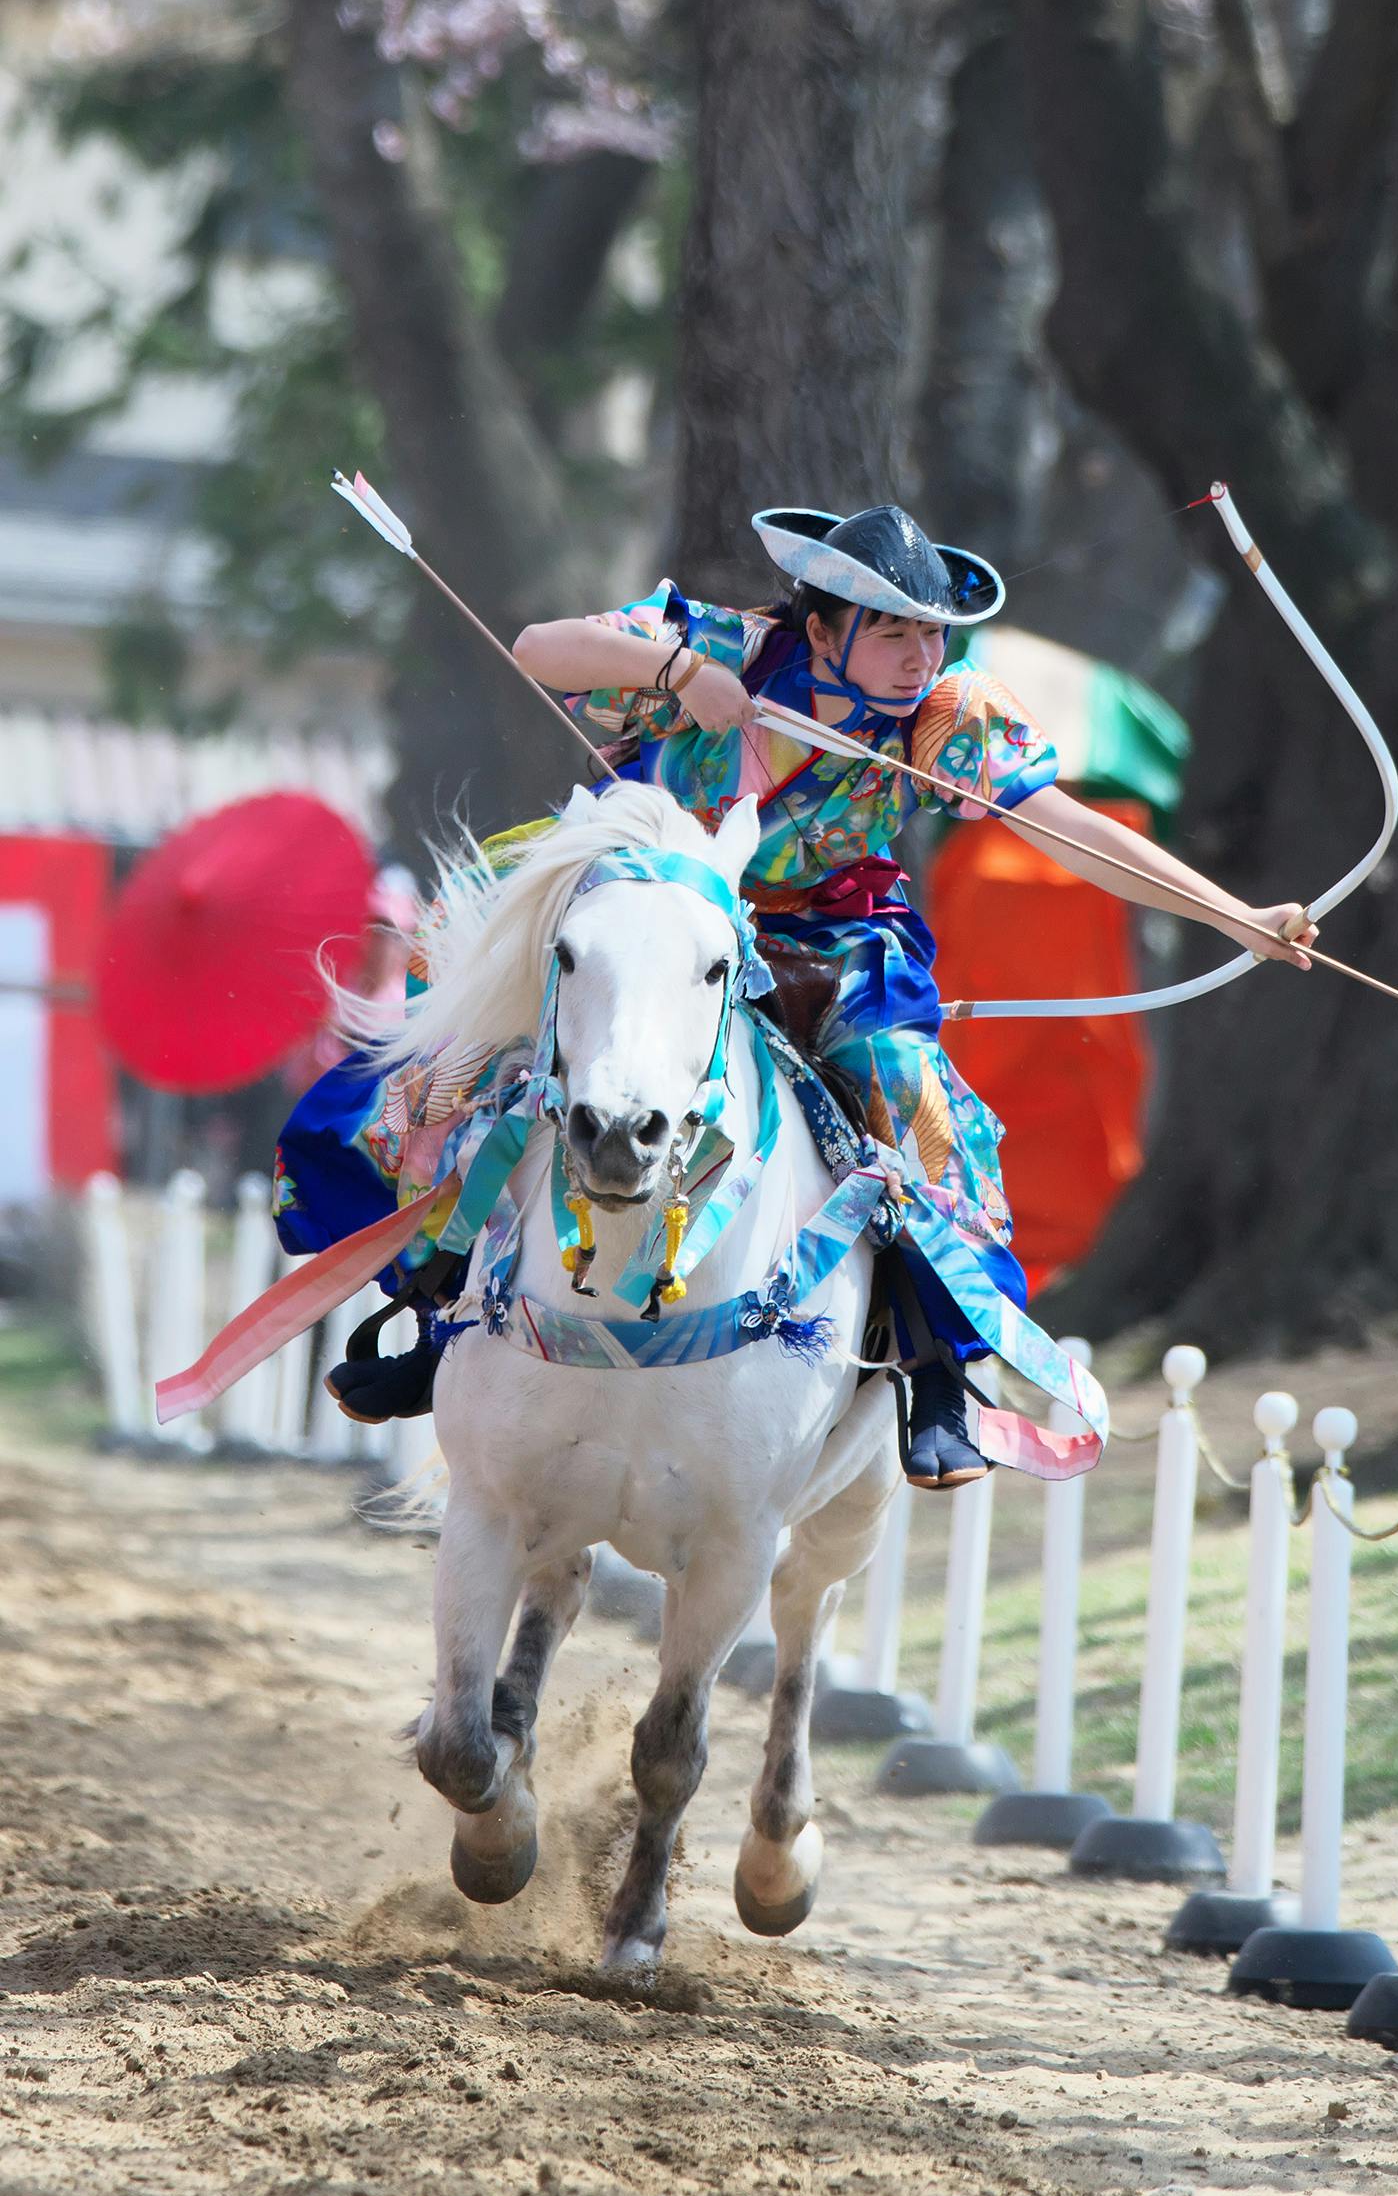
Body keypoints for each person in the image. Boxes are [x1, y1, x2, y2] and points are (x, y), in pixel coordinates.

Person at [295, 502, 1315, 1487]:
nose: (921, 657)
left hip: (827, 937)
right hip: (657, 911)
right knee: (463, 1066)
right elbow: (537, 649)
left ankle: (937, 1377)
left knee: (914, 1101)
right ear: (822, 628)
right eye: (893, 632)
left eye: (932, 633)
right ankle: (438, 1314)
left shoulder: (945, 715)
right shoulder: (723, 645)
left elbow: (1069, 829)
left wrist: (1235, 916)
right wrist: (680, 673)